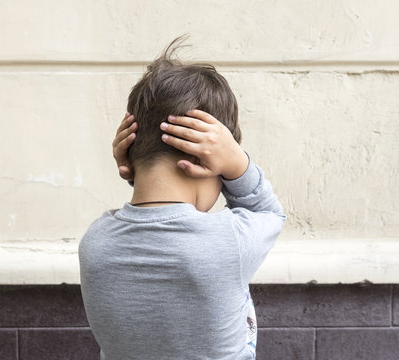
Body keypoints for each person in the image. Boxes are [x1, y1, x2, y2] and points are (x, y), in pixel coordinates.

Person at [78, 38, 286, 360]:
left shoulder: (95, 242)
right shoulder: (227, 242)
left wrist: (135, 172)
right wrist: (237, 164)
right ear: (207, 163)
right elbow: (268, 212)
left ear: (131, 153)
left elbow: (150, 212)